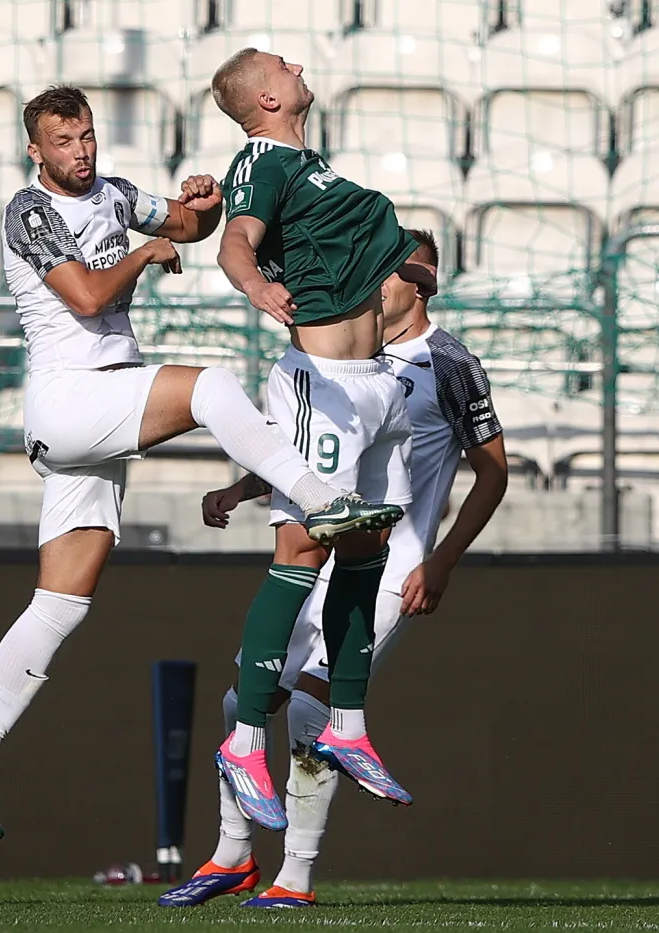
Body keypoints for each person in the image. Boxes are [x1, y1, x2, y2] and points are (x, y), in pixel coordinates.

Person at [0, 85, 405, 840]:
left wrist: (202, 204)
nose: (80, 151)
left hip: (100, 405)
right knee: (212, 385)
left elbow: (185, 224)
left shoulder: (115, 193)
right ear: (35, 151)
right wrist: (148, 252)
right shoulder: (29, 211)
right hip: (72, 397)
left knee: (62, 602)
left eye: (86, 136)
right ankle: (319, 497)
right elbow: (87, 297)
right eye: (63, 142)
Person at [160, 231, 509, 909]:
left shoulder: (448, 362)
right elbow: (316, 454)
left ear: (419, 284)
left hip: (392, 564)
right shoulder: (348, 357)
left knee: (311, 706)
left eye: (387, 272)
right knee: (244, 698)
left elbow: (493, 472)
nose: (372, 283)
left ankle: (297, 874)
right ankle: (232, 855)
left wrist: (441, 559)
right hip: (324, 548)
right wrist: (242, 489)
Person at [207, 48, 428, 827]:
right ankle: (244, 741)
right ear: (266, 97)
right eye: (281, 64)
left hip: (374, 383)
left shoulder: (310, 163)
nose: (297, 64)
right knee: (302, 550)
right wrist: (257, 285)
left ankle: (348, 723)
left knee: (367, 547)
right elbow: (236, 240)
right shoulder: (262, 159)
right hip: (323, 384)